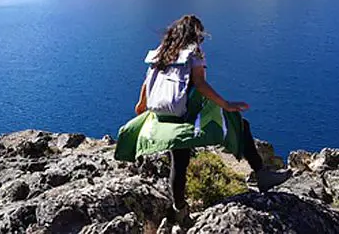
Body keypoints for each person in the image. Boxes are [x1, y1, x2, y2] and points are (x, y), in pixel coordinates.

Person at [114, 14, 289, 224]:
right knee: (239, 124)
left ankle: (180, 210)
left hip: (162, 114)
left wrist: (142, 105)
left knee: (179, 161)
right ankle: (262, 174)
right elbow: (200, 84)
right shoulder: (193, 52)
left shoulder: (161, 52)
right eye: (200, 36)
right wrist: (226, 104)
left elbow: (147, 82)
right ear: (195, 34)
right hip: (184, 112)